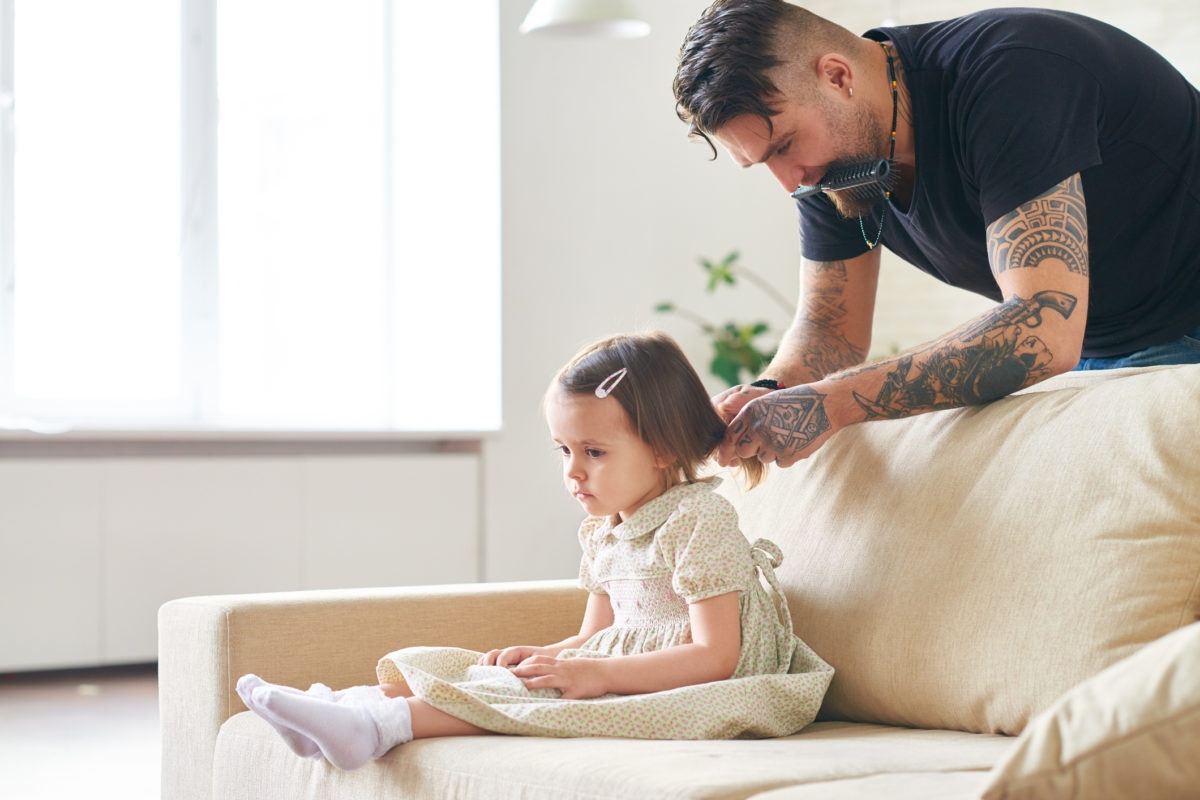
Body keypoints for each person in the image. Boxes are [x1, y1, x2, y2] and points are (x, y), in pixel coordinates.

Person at [236, 331, 833, 770]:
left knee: (546, 702)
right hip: (625, 669)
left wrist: (593, 674)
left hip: (703, 690)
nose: (573, 471)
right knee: (486, 673)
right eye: (563, 450)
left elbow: (716, 656)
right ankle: (345, 706)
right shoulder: (605, 531)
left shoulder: (697, 518)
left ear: (660, 448)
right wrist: (551, 655)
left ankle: (376, 726)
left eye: (593, 452)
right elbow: (597, 634)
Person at [672, 1, 1200, 468]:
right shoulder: (831, 168)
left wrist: (831, 402)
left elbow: (1041, 328)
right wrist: (770, 392)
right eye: (762, 162)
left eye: (784, 145)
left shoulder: (1010, 75)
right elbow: (830, 332)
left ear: (837, 76)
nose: (790, 180)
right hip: (1100, 345)